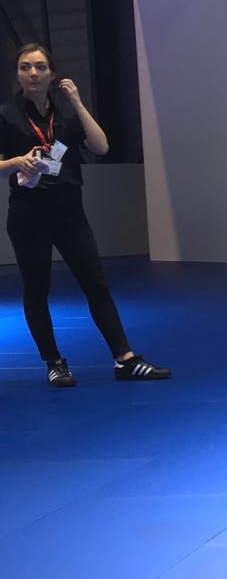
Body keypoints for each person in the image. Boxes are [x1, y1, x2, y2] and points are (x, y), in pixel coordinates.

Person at [1, 44, 170, 386]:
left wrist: (77, 102)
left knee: (96, 284)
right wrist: (16, 162)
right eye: (25, 67)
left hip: (69, 212)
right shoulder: (6, 114)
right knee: (37, 289)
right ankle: (54, 362)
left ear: (52, 73)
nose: (33, 73)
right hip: (28, 215)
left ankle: (125, 360)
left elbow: (101, 146)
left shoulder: (66, 112)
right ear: (17, 74)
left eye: (40, 67)